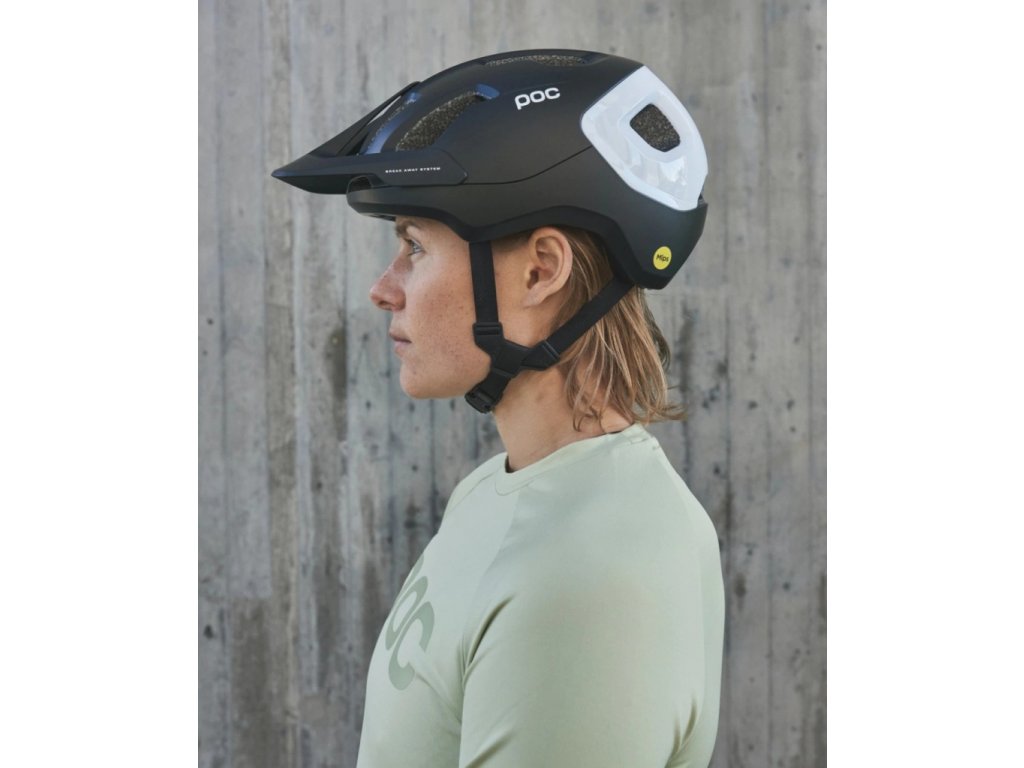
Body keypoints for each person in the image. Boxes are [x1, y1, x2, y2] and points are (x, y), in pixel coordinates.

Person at [273, 49, 725, 768]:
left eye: (415, 246)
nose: (383, 289)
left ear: (540, 271)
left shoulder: (590, 576)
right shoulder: (499, 489)